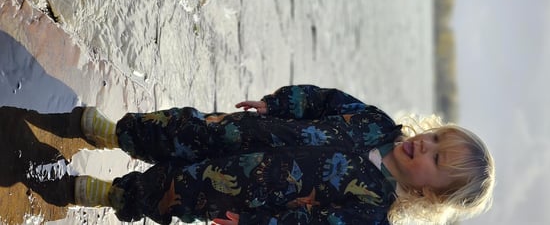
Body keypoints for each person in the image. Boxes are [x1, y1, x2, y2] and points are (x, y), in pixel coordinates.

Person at [70, 85, 495, 224]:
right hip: (239, 134)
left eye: (437, 160)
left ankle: (114, 196)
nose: (426, 145)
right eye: (437, 138)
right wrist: (278, 103)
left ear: (430, 195)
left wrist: (254, 222)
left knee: (173, 190)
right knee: (180, 128)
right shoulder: (377, 123)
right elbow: (325, 100)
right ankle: (120, 134)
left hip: (243, 194)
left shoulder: (372, 210)